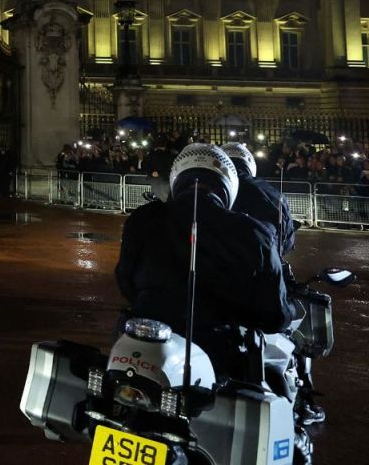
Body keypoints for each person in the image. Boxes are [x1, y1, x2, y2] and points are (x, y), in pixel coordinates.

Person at [115, 143, 299, 378]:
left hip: (141, 338)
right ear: (229, 183)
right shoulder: (253, 233)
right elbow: (274, 316)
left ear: (176, 176)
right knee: (274, 383)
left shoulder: (142, 218)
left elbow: (125, 280)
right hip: (215, 353)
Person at [222, 142, 322, 426]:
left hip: (212, 277)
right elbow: (287, 239)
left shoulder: (209, 192)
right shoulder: (270, 192)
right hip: (261, 277)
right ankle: (302, 402)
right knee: (291, 326)